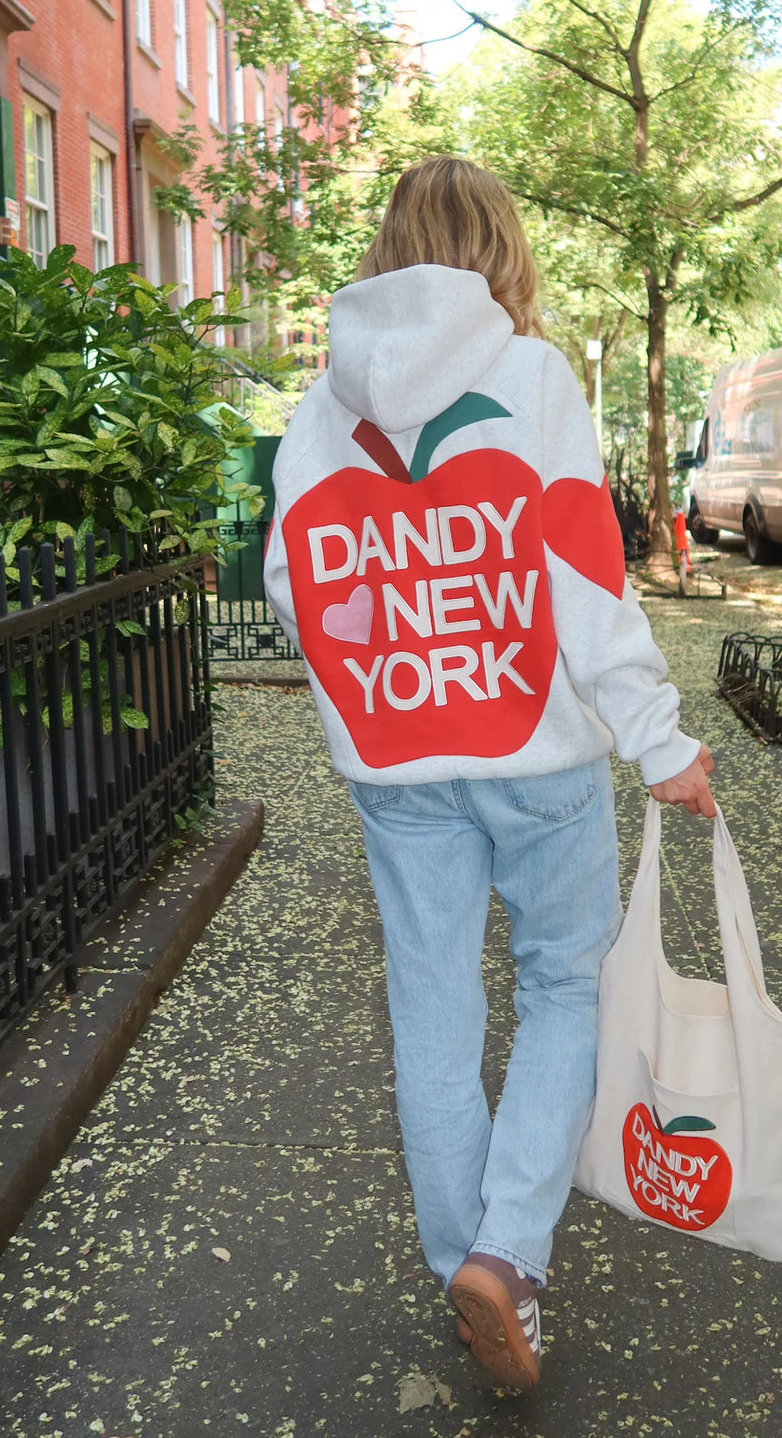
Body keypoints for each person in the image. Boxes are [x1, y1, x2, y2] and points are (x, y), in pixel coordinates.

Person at [263, 156, 715, 1393]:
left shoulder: (322, 409)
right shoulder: (531, 376)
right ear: (501, 247)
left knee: (433, 1011)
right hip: (536, 754)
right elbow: (580, 571)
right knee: (565, 986)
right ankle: (508, 1258)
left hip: (401, 764)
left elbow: (293, 584)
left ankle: (463, 1263)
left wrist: (373, 681)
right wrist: (662, 742)